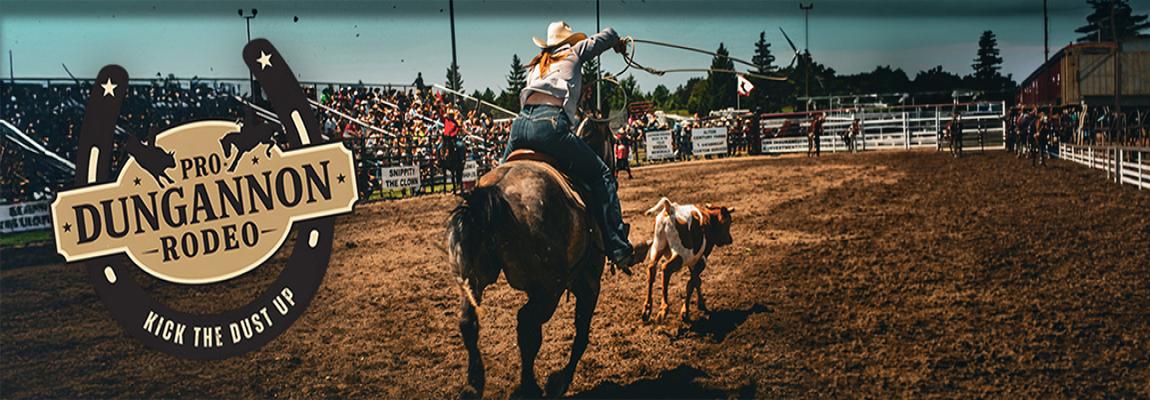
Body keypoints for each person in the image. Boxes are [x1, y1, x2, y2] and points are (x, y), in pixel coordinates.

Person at [500, 21, 635, 268]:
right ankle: (618, 247)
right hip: (549, 125)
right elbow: (608, 35)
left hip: (519, 126)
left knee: (499, 179)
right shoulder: (572, 53)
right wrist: (617, 43)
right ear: (568, 41)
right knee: (602, 175)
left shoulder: (536, 64)